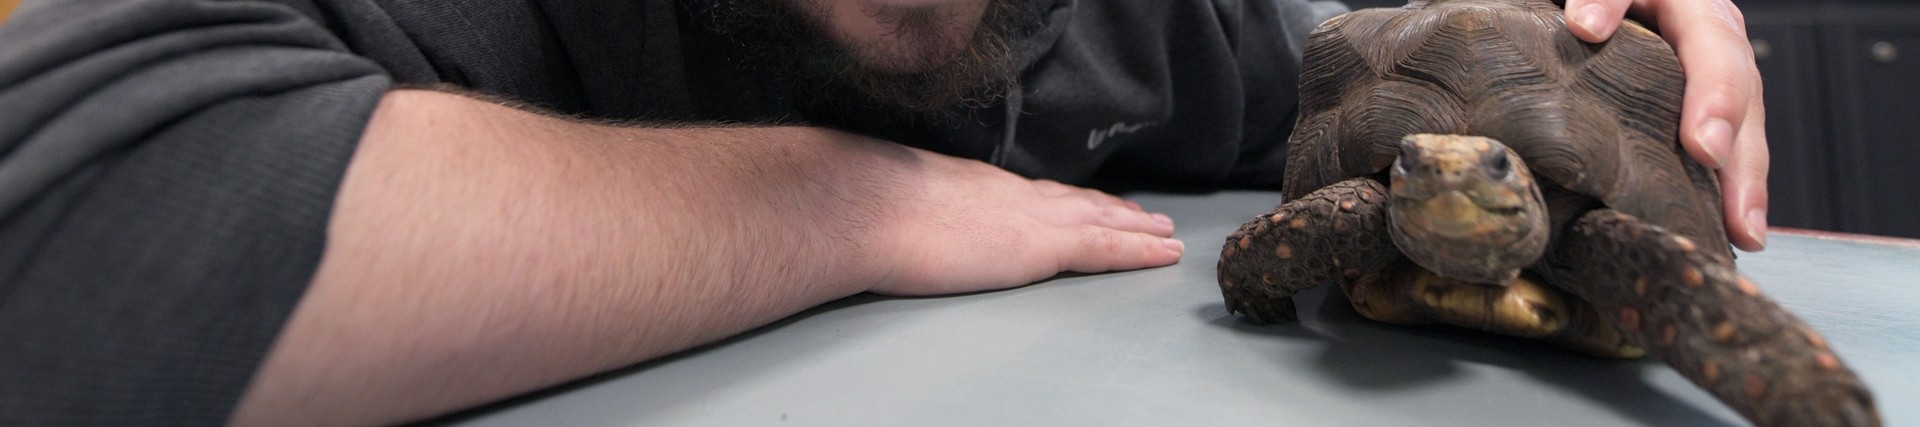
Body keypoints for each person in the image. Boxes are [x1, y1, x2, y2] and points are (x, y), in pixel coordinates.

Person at [0, 0, 1768, 425]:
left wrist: (1566, 48)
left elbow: (1366, 69)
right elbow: (63, 240)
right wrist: (836, 201)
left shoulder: (1162, 27)